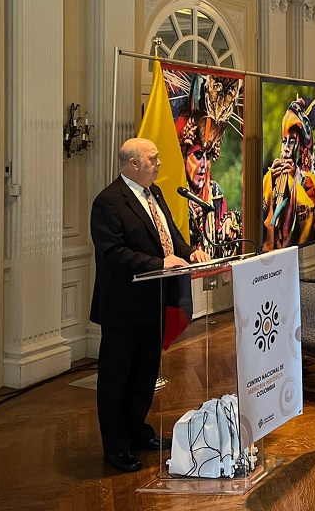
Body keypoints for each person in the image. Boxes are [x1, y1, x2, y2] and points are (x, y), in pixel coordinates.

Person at [90, 138, 208, 473]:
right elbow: (112, 253)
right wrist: (159, 264)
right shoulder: (108, 202)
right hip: (123, 306)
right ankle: (115, 446)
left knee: (144, 374)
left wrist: (189, 253)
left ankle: (138, 431)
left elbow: (168, 236)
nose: (159, 164)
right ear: (133, 165)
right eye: (153, 159)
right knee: (117, 377)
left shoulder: (154, 194)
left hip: (154, 301)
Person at [179, 111, 242, 257]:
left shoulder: (214, 191)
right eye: (198, 155)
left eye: (207, 157)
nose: (203, 165)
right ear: (184, 157)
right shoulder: (178, 194)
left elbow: (223, 225)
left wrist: (229, 223)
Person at [262, 97, 315, 250]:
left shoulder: (311, 180)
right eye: (284, 141)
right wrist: (270, 180)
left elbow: (309, 220)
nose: (286, 147)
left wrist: (295, 180)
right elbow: (264, 214)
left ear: (301, 145)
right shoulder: (274, 174)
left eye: (292, 141)